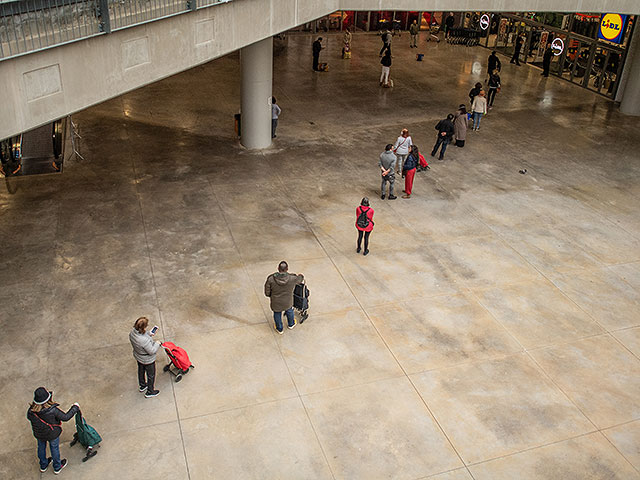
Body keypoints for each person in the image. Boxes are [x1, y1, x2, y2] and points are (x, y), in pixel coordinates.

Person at [27, 387, 80, 474]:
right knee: (54, 448)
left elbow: (30, 418)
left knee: (41, 448)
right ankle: (57, 467)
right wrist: (75, 407)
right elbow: (65, 417)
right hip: (52, 434)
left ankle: (43, 465)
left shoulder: (31, 411)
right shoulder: (52, 410)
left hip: (39, 434)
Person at [264, 261, 304, 334]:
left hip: (276, 302)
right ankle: (291, 324)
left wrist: (272, 296)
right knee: (289, 311)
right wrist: (301, 276)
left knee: (277, 313)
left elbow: (267, 293)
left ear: (278, 268)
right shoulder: (292, 278)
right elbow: (300, 280)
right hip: (288, 301)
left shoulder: (271, 279)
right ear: (287, 269)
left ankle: (279, 329)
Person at [129, 316, 161, 398]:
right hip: (147, 360)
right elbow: (152, 351)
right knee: (151, 375)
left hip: (138, 356)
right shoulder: (143, 340)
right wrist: (157, 343)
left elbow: (142, 334)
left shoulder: (133, 333)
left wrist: (149, 334)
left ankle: (142, 385)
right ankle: (150, 391)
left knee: (141, 370)